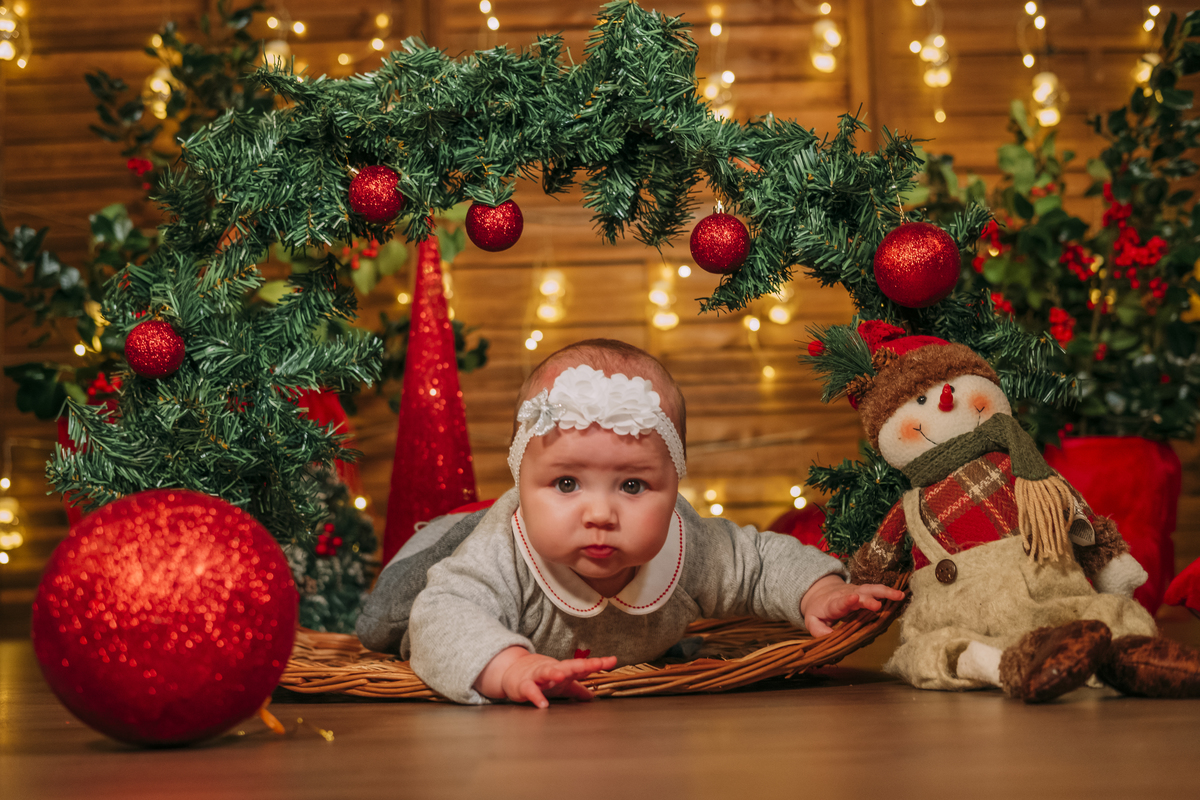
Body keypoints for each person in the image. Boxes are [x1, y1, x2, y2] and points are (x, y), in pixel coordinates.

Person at [357, 339, 904, 706]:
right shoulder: (502, 548)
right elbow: (442, 615)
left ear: (674, 484)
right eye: (566, 483)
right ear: (521, 479)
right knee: (392, 620)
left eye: (633, 486)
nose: (600, 514)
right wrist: (508, 667)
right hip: (448, 543)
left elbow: (759, 563)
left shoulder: (688, 544)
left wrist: (819, 591)